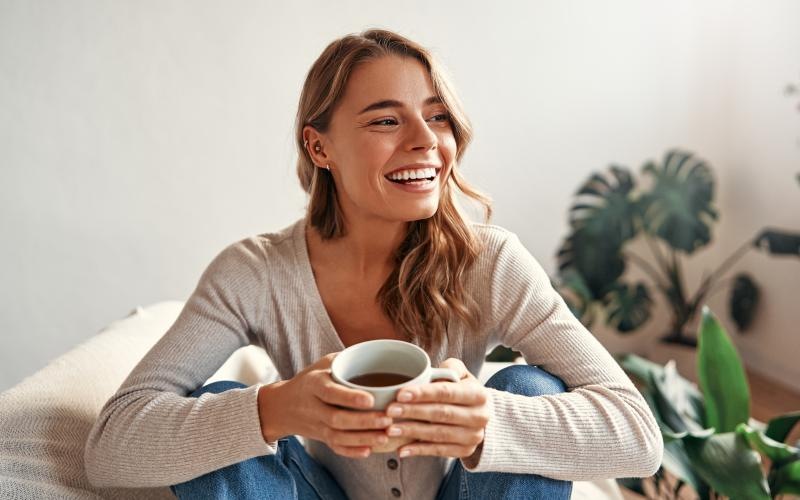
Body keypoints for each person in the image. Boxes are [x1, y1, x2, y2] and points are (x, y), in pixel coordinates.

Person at [84, 28, 663, 500]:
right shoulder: (254, 273)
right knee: (216, 412)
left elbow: (639, 436)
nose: (425, 141)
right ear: (320, 148)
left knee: (528, 388)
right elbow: (110, 446)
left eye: (437, 117)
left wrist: (488, 421)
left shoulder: (490, 261)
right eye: (386, 120)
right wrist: (275, 408)